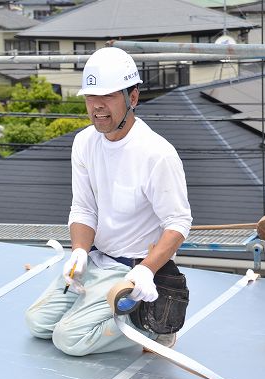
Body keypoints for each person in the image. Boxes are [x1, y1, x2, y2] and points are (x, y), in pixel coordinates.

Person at [25, 47, 192, 356]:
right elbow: (84, 208)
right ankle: (109, 306)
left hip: (132, 270)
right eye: (91, 97)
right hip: (96, 260)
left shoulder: (156, 154)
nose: (97, 107)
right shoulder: (85, 143)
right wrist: (78, 251)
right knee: (37, 323)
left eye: (109, 96)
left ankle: (151, 322)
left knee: (68, 339)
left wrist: (145, 270)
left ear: (133, 97)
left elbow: (178, 223)